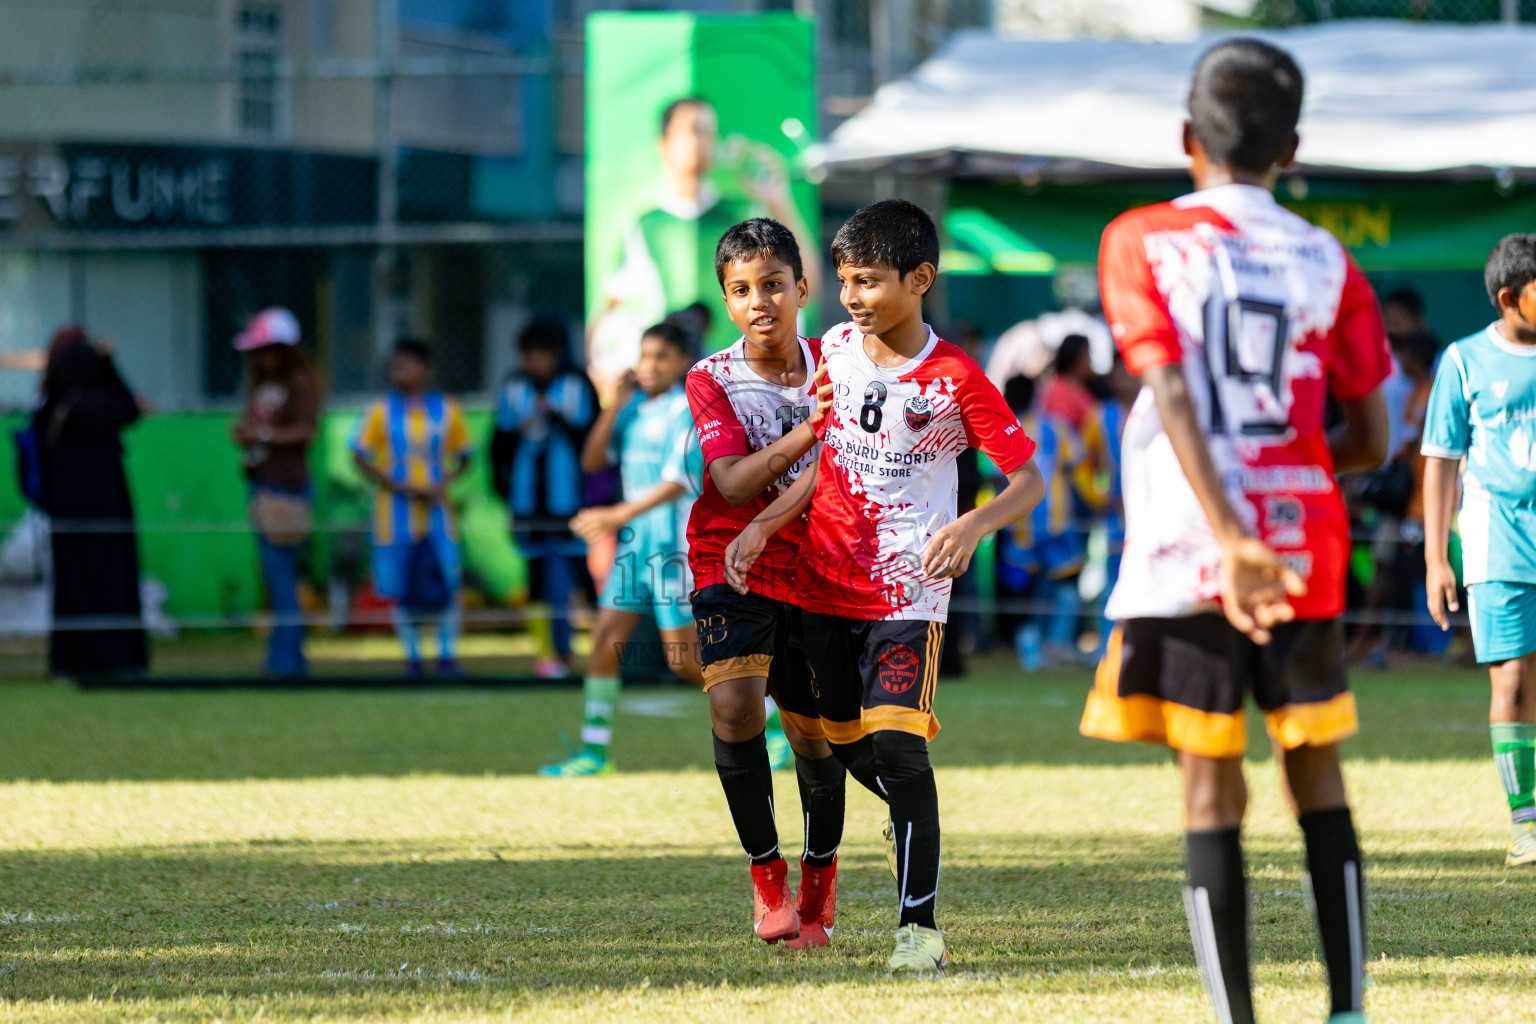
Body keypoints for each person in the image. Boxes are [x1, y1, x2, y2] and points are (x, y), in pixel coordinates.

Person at [1078, 39, 1391, 1024]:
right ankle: (1347, 1010)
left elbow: (1166, 382)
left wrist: (1224, 523)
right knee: (1319, 779)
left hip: (1187, 546)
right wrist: (1287, 480)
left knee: (1211, 797)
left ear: (1186, 138)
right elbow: (1373, 433)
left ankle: (1238, 1019)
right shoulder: (1327, 257)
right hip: (1304, 544)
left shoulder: (1140, 237)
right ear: (1291, 149)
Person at [726, 199, 1044, 972]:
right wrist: (767, 524)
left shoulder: (955, 378)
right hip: (824, 587)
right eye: (844, 281)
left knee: (900, 748)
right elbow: (828, 460)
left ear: (920, 279)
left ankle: (919, 931)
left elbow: (1030, 480)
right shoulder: (834, 348)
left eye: (868, 281)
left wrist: (972, 523)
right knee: (839, 743)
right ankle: (912, 817)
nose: (852, 297)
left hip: (908, 594)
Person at [686, 218, 885, 948]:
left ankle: (818, 886)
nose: (759, 301)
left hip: (821, 567)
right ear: (727, 302)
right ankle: (767, 882)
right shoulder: (711, 377)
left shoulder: (843, 362)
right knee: (736, 711)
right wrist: (809, 431)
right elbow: (733, 483)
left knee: (817, 738)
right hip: (728, 557)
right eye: (740, 290)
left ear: (803, 288)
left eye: (772, 284)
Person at [539, 322, 704, 777]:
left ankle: (773, 718)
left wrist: (614, 516)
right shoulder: (632, 409)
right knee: (604, 642)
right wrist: (613, 405)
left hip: (671, 545)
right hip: (634, 548)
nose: (649, 366)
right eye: (644, 355)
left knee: (684, 660)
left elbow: (676, 484)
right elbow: (592, 460)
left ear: (682, 362)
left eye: (661, 357)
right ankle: (594, 752)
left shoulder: (687, 410)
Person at [1422, 234, 1536, 866]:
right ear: (1508, 298)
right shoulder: (1464, 360)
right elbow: (1440, 461)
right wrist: (1439, 557)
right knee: (1514, 680)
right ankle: (1526, 823)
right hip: (1499, 544)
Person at [587, 96, 817, 389]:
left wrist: (778, 199)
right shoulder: (646, 224)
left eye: (710, 132)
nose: (704, 141)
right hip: (672, 384)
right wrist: (596, 368)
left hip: (740, 379)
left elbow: (808, 281)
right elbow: (609, 307)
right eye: (694, 130)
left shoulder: (742, 214)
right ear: (664, 145)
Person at [351, 339, 474, 676]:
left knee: (448, 581)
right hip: (394, 516)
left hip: (437, 515)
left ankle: (447, 653)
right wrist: (396, 485)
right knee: (400, 585)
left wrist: (442, 484)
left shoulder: (446, 409)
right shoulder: (379, 410)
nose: (398, 372)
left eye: (406, 365)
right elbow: (359, 454)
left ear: (426, 369)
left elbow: (465, 455)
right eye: (394, 366)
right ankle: (413, 656)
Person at [33, 326, 148, 680]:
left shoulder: (53, 407)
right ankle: (117, 656)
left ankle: (72, 659)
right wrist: (109, 363)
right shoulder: (102, 404)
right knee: (113, 579)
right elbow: (132, 408)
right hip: (108, 503)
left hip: (65, 505)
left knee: (72, 583)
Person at [491, 319, 599, 678]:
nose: (530, 362)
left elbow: (591, 439)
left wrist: (555, 418)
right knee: (537, 579)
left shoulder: (577, 385)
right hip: (527, 503)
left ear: (555, 355)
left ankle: (597, 650)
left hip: (570, 501)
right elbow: (499, 444)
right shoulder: (513, 388)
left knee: (580, 576)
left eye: (537, 355)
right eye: (526, 355)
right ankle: (548, 655)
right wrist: (504, 490)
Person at [229, 307, 319, 678]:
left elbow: (305, 431)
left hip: (286, 488)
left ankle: (286, 662)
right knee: (273, 577)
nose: (259, 358)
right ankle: (286, 658)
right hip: (261, 484)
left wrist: (262, 436)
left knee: (282, 576)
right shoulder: (261, 384)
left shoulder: (300, 381)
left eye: (266, 350)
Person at [994, 373, 1087, 670]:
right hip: (1057, 521)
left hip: (1018, 522)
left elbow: (993, 474)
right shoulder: (1056, 426)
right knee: (1066, 585)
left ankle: (1030, 654)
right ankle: (1058, 646)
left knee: (1022, 589)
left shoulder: (1000, 429)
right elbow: (1077, 461)